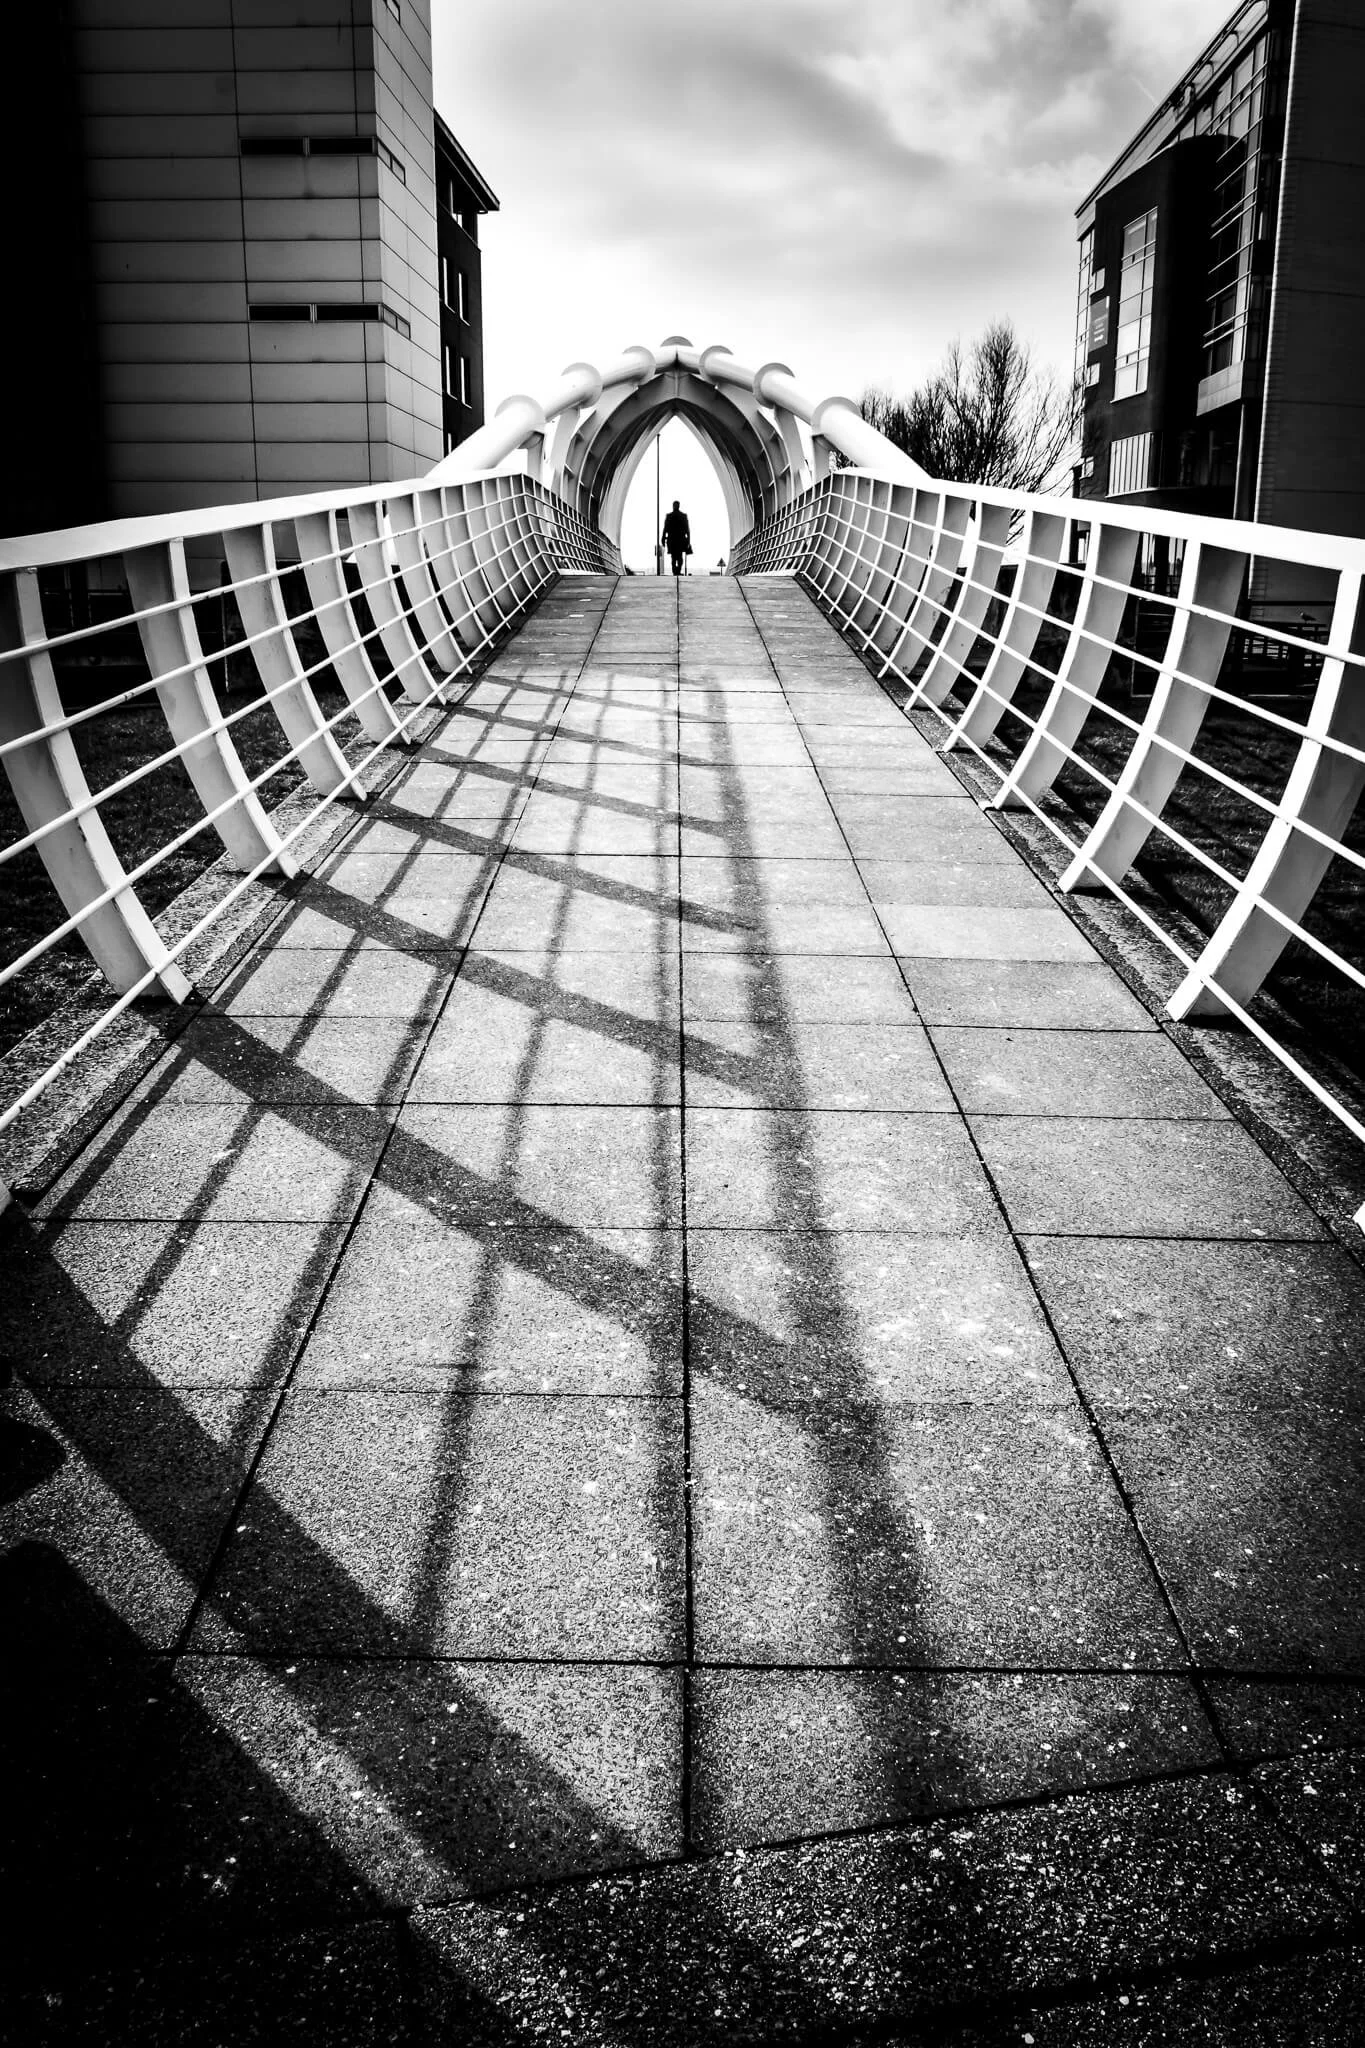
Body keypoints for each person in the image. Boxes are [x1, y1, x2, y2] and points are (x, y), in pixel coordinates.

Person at [661, 500, 691, 576]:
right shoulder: (681, 516)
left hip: (674, 540)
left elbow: (687, 530)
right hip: (677, 540)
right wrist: (663, 538)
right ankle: (676, 571)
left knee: (675, 557)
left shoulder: (673, 516)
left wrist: (663, 538)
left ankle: (676, 571)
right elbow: (665, 528)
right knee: (676, 557)